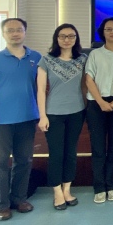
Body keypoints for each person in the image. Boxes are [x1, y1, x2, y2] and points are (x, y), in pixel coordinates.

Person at [0, 18, 41, 221]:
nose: (15, 33)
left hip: (27, 118)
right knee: (0, 164)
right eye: (10, 30)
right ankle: (2, 205)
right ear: (3, 34)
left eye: (19, 30)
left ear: (25, 32)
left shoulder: (36, 58)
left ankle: (19, 199)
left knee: (24, 161)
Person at [37, 23, 87, 210]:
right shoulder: (46, 60)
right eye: (63, 36)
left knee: (71, 152)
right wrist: (42, 116)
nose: (67, 39)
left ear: (76, 38)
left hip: (77, 112)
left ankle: (67, 189)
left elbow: (85, 85)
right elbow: (40, 90)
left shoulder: (82, 59)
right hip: (53, 113)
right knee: (56, 154)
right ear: (56, 39)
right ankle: (57, 192)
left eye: (71, 36)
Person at [85, 17, 113, 203]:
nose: (112, 32)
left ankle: (112, 185)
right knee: (98, 148)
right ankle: (99, 187)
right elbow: (89, 79)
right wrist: (101, 102)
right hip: (96, 104)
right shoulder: (95, 54)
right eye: (108, 29)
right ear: (102, 32)